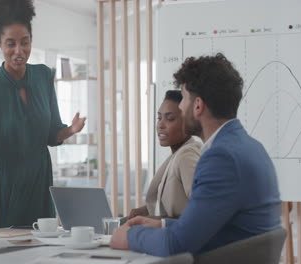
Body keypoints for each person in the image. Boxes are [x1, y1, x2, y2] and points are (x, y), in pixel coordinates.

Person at [110, 53, 282, 257]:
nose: (181, 107)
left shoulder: (220, 158)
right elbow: (219, 228)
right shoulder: (251, 147)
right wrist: (163, 224)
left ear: (198, 106)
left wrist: (130, 236)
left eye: (183, 98)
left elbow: (177, 244)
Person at [0, 0, 86, 228]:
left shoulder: (43, 76)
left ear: (31, 41)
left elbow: (51, 134)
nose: (19, 51)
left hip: (40, 183)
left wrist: (71, 130)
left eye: (24, 43)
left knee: (43, 251)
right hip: (8, 188)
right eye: (11, 44)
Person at [129, 90, 201, 220]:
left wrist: (158, 222)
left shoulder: (186, 155)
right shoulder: (177, 154)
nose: (160, 125)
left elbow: (202, 211)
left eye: (170, 119)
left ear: (187, 122)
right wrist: (145, 211)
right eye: (159, 118)